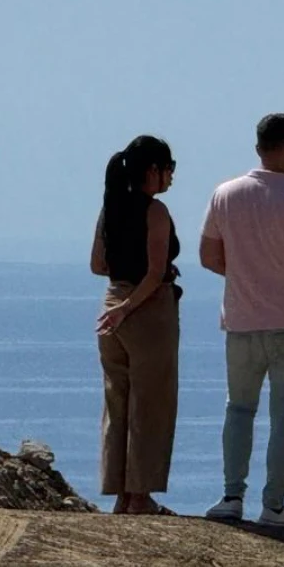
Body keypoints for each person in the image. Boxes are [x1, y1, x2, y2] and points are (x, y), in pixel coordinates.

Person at [198, 112, 284, 528]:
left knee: (239, 409)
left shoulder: (225, 194)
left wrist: (247, 274)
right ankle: (273, 505)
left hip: (242, 321)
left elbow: (209, 255)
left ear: (258, 147)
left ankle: (231, 496)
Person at [90, 135, 181, 515]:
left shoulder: (110, 207)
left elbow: (98, 265)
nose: (171, 177)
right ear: (152, 171)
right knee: (151, 404)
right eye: (169, 169)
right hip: (145, 313)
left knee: (117, 403)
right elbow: (155, 273)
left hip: (110, 306)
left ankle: (120, 494)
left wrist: (119, 301)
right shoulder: (155, 211)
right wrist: (129, 307)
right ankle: (140, 495)